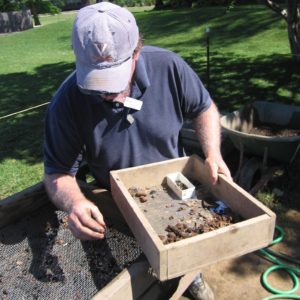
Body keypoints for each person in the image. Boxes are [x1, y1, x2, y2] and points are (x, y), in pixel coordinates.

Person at [43, 3, 231, 299]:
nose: (106, 92)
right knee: (142, 270)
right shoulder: (66, 103)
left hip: (178, 186)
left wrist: (213, 153)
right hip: (117, 198)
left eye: (114, 78)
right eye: (96, 79)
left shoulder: (169, 66)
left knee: (188, 244)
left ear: (136, 52)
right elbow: (57, 172)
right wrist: (75, 203)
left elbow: (204, 109)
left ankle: (192, 276)